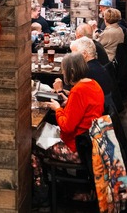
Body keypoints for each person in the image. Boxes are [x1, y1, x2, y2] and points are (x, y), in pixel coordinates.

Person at [32, 53, 104, 199]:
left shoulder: (78, 91)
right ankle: (57, 181)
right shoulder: (93, 84)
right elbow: (81, 109)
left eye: (64, 71)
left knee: (32, 146)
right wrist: (67, 99)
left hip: (77, 149)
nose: (63, 74)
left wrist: (57, 108)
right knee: (42, 132)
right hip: (91, 144)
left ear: (71, 72)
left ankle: (41, 194)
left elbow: (67, 127)